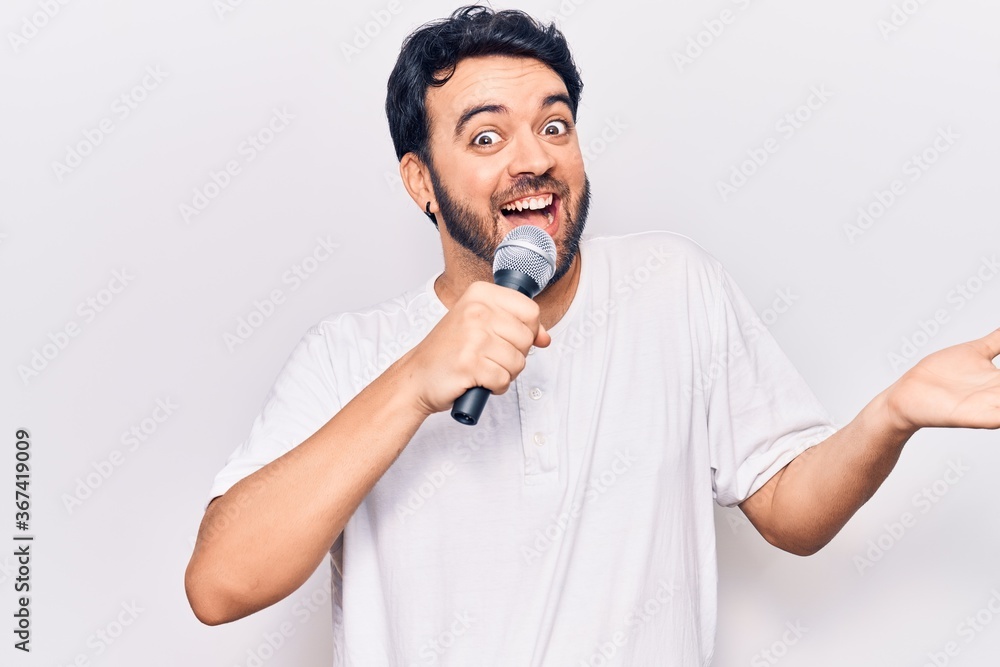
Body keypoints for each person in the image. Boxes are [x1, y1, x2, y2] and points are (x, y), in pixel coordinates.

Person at [184, 6, 1000, 665]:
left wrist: (891, 414)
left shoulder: (674, 288)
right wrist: (411, 382)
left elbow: (791, 510)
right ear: (419, 180)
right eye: (486, 137)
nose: (533, 160)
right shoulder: (347, 354)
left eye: (556, 125)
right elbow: (220, 586)